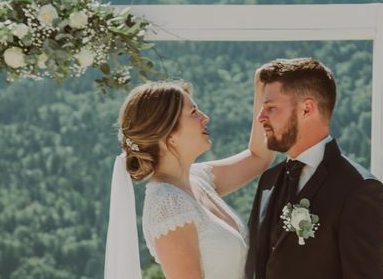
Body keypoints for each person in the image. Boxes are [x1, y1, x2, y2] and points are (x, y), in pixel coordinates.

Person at [104, 75, 274, 279]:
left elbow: (259, 157)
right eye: (193, 112)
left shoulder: (198, 178)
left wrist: (262, 90)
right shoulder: (167, 205)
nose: (205, 117)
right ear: (169, 135)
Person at [245, 57, 383, 279]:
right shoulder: (268, 181)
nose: (260, 117)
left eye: (271, 108)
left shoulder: (359, 189)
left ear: (307, 109)